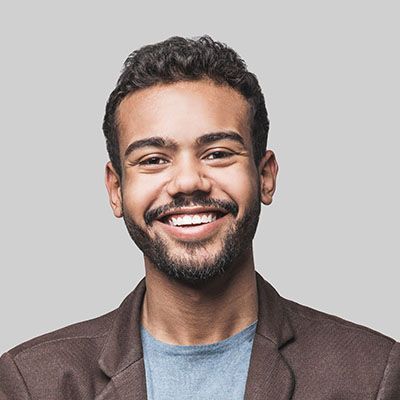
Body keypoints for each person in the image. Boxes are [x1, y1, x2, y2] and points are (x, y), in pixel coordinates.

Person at [0, 35, 399, 400]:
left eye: (218, 153)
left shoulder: (371, 375)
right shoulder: (32, 382)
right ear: (116, 189)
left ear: (265, 176)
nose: (188, 181)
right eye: (153, 160)